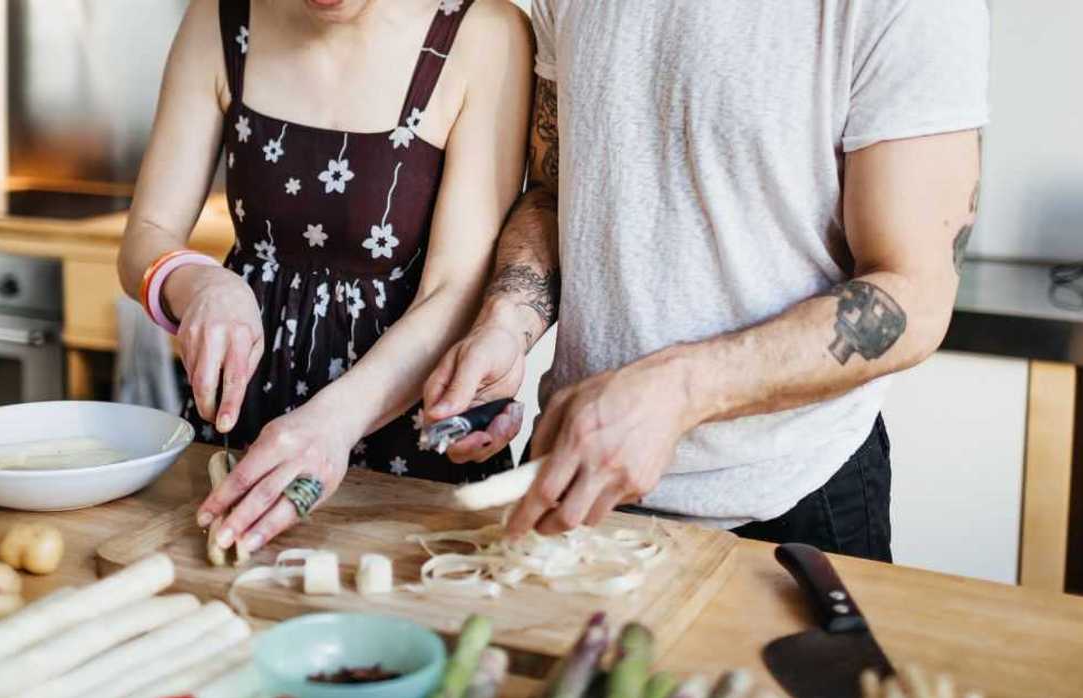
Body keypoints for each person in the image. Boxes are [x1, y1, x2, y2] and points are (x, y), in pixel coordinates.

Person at [422, 0, 990, 560]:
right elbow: (554, 192)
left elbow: (914, 294)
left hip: (790, 501)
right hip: (574, 473)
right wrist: (507, 322)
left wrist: (677, 391)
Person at [118, 0, 532, 553]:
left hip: (402, 434)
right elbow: (145, 235)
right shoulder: (219, 19)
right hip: (245, 433)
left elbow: (456, 289)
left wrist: (331, 426)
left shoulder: (482, 33)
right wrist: (200, 283)